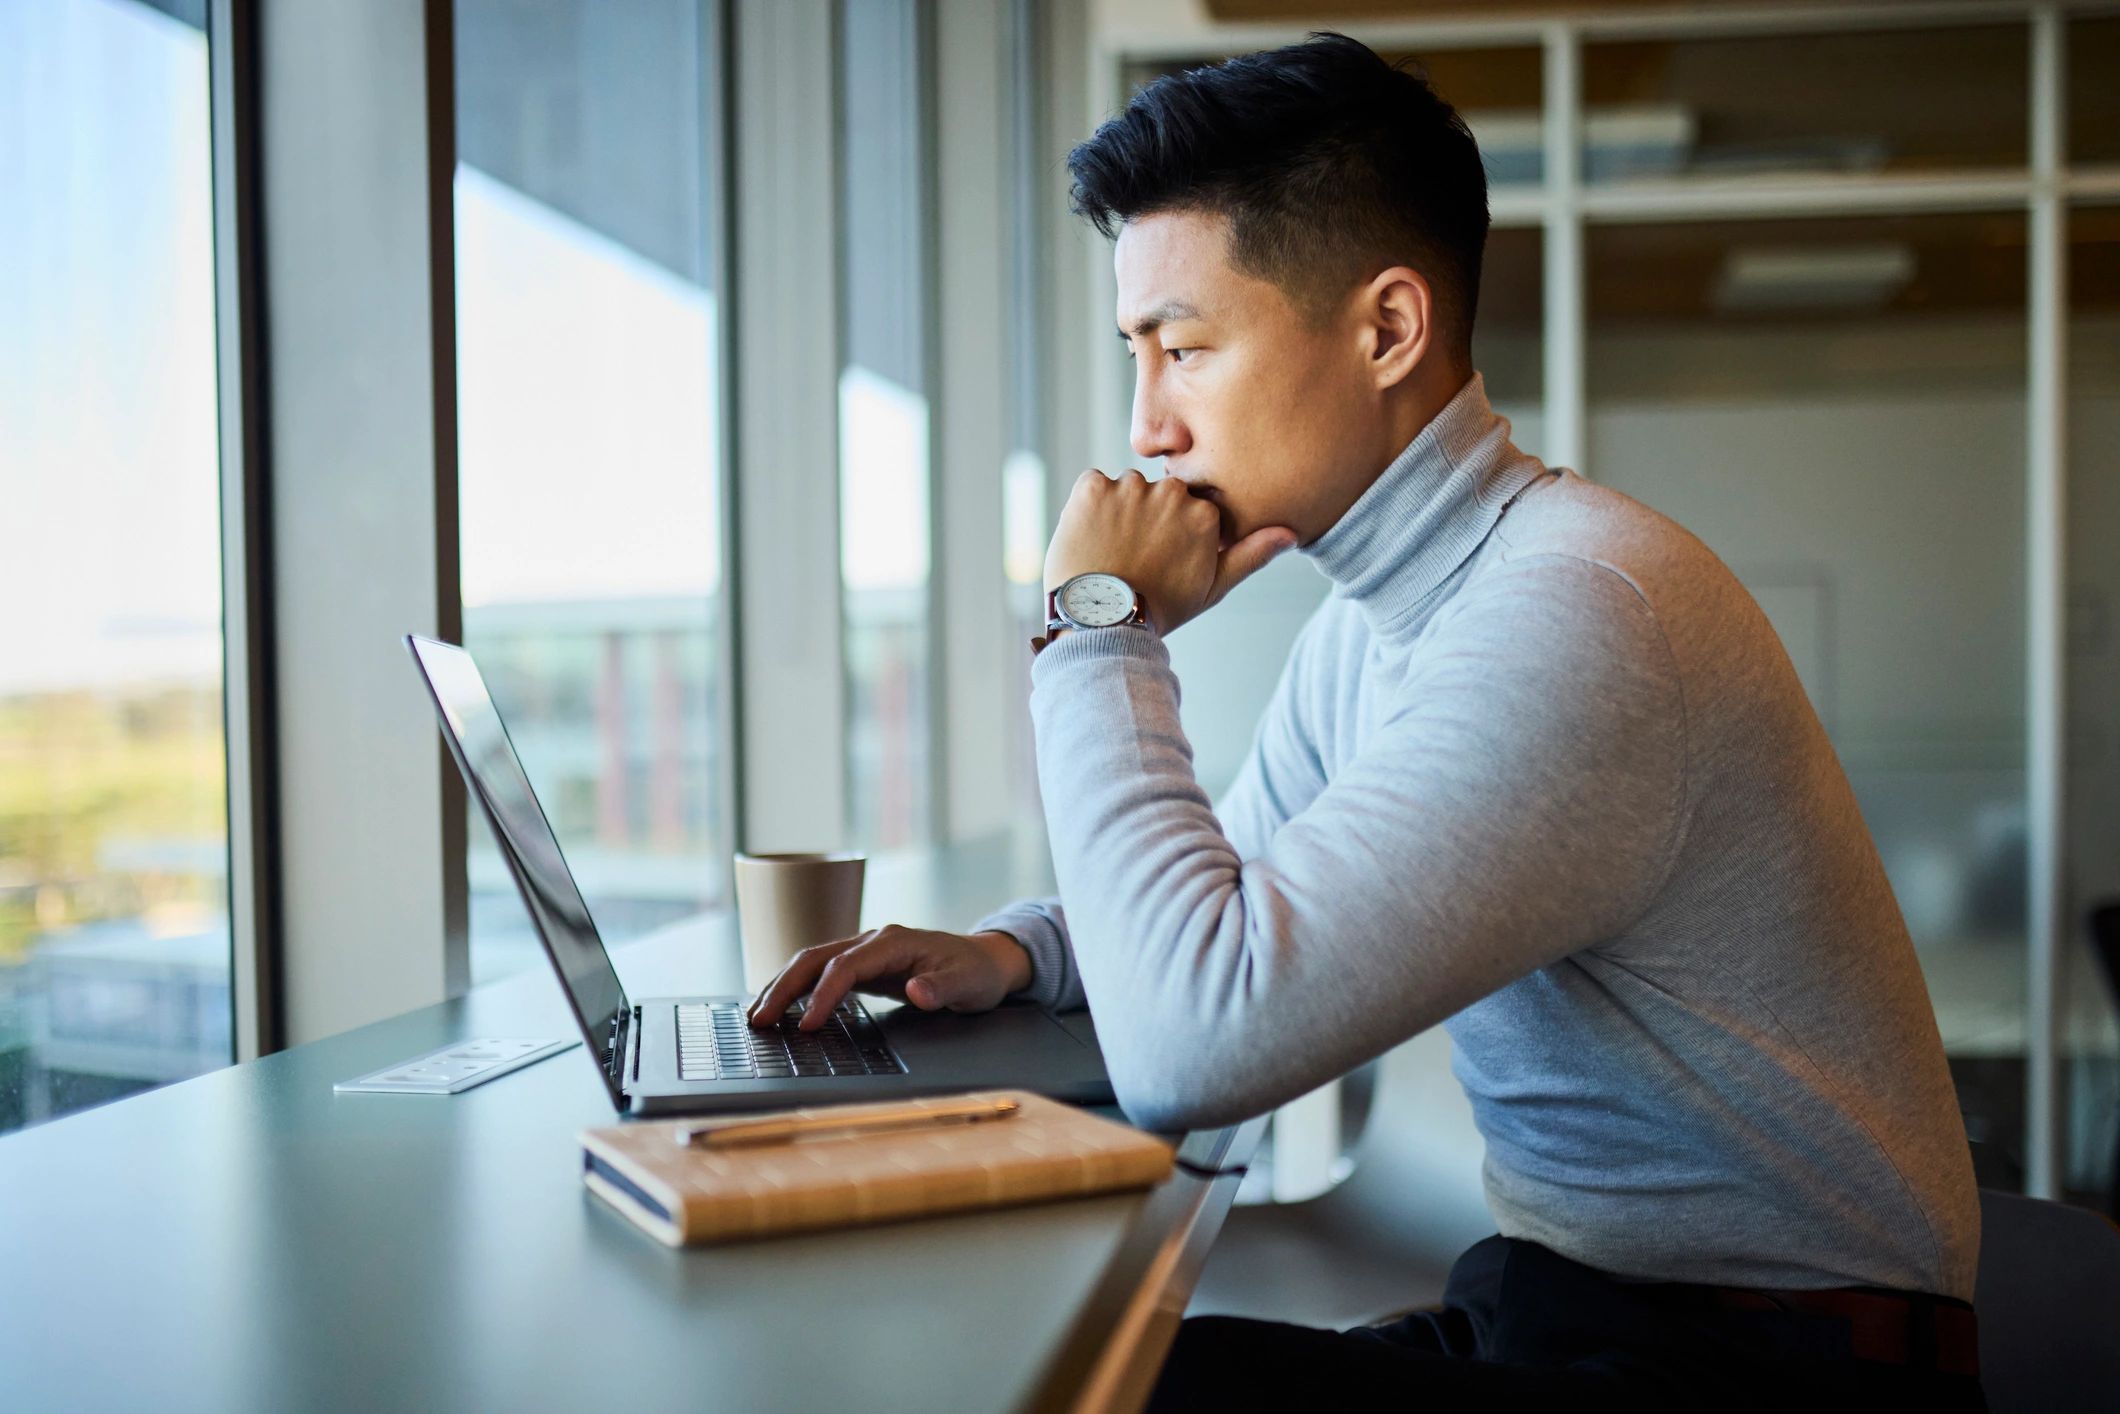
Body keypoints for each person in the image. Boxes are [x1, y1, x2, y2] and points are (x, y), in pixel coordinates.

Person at [749, 31, 1985, 1410]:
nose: (1147, 427)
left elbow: (1195, 1046)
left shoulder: (1579, 614)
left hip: (1764, 1363)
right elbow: (1238, 891)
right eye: (1134, 355)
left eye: (1185, 349)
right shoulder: (1383, 619)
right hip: (1567, 1304)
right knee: (1079, 1373)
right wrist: (1014, 951)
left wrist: (1099, 626)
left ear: (1387, 329)